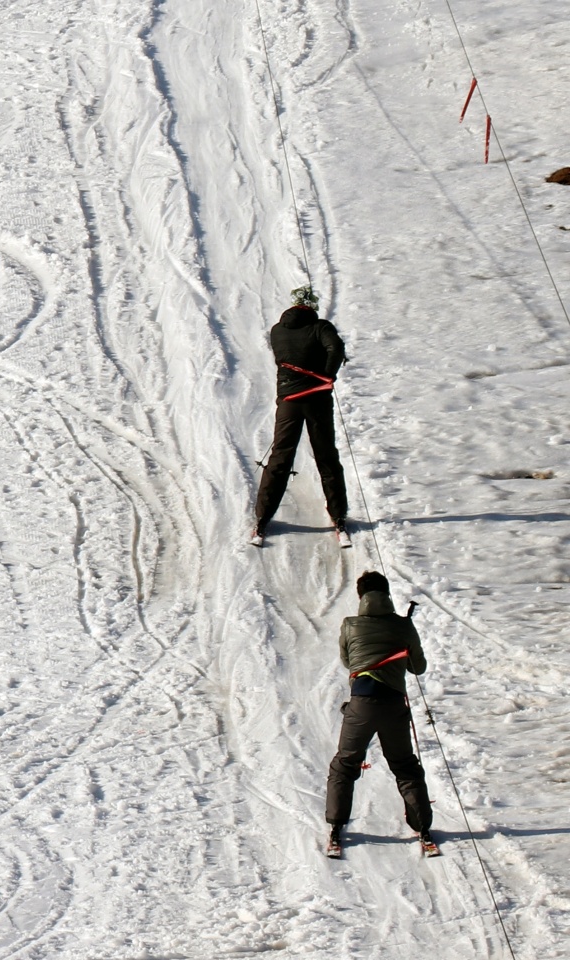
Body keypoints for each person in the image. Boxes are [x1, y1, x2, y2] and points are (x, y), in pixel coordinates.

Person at [324, 570, 434, 857]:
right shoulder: (403, 626)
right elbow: (417, 667)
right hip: (395, 705)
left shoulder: (350, 625)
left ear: (361, 596)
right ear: (386, 595)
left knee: (345, 764)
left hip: (361, 704)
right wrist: (403, 636)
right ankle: (422, 827)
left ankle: (336, 827)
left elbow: (348, 660)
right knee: (405, 766)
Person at [250, 286, 348, 545]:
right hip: (317, 399)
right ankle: (339, 516)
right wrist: (328, 374)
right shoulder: (321, 327)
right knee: (326, 456)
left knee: (280, 457)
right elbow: (336, 347)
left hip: (288, 401)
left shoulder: (277, 330)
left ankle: (262, 519)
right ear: (312, 306)